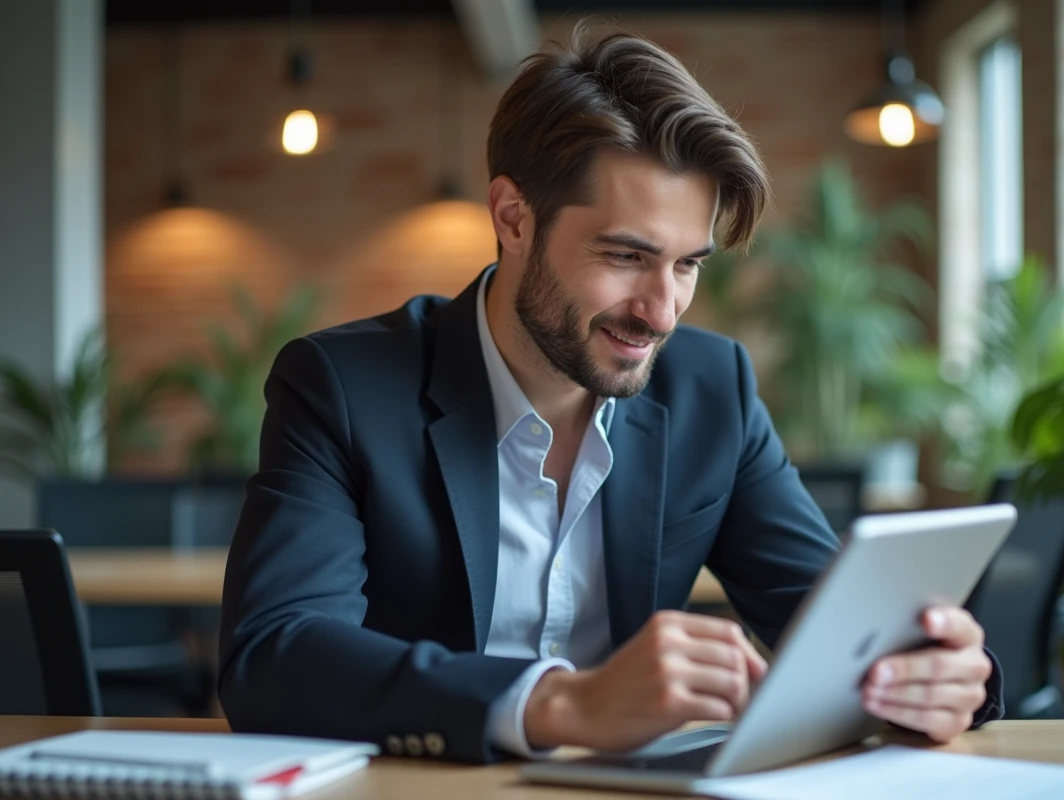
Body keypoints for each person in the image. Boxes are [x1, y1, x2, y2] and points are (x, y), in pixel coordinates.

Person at [218, 25, 1002, 764]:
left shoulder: (712, 390)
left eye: (688, 265)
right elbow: (274, 653)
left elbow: (837, 627)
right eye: (627, 256)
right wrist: (558, 705)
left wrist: (939, 675)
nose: (661, 311)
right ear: (514, 217)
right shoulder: (344, 385)